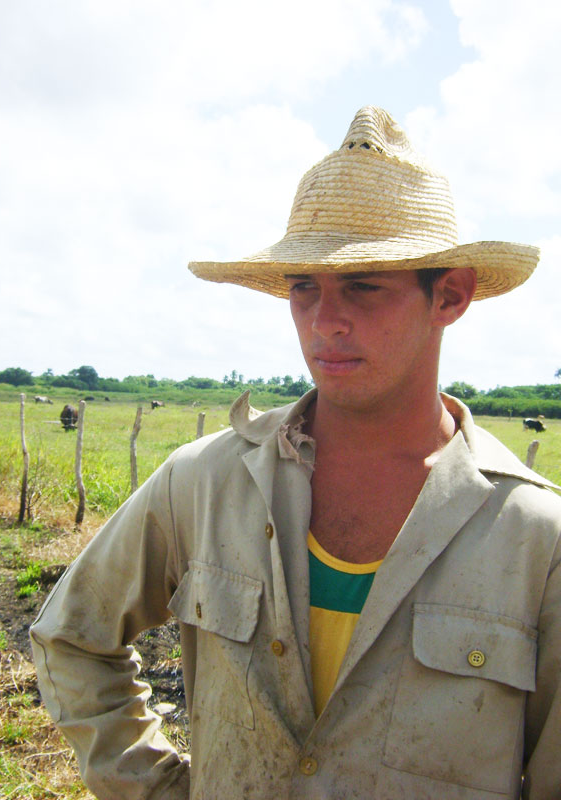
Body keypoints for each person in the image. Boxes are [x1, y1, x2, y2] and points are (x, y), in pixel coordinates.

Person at [30, 106, 561, 799]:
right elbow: (72, 636)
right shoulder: (203, 482)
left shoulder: (534, 539)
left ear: (451, 295)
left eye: (364, 286)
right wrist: (153, 787)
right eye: (303, 287)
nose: (324, 321)